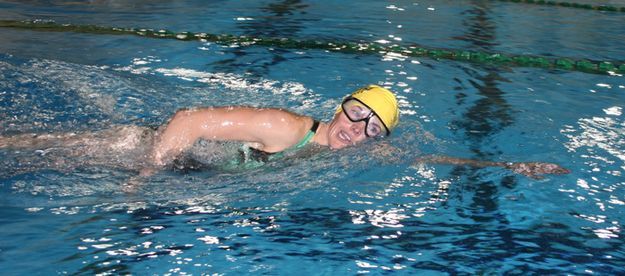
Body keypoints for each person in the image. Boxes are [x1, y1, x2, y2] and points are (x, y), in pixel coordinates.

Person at [0, 84, 569, 178]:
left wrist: (503, 168)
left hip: (189, 170)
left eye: (373, 128)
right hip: (145, 149)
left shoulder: (347, 155)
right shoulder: (284, 127)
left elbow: (420, 162)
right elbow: (187, 121)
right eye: (356, 113)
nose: (358, 130)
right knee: (28, 151)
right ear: (339, 106)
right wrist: (148, 170)